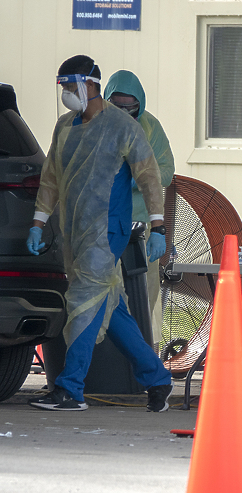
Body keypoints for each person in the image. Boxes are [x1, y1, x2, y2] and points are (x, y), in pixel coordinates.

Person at [26, 55, 173, 412]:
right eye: (61, 88)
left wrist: (158, 227)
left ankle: (70, 389)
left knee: (82, 303)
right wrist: (38, 222)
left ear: (90, 84)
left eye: (70, 86)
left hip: (108, 233)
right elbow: (50, 179)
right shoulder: (64, 128)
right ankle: (158, 379)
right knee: (113, 309)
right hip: (74, 235)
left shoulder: (122, 127)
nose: (66, 94)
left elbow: (151, 177)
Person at [104, 70, 175, 348]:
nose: (123, 112)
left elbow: (167, 170)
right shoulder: (92, 127)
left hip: (142, 229)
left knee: (144, 298)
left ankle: (145, 358)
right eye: (116, 106)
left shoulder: (150, 127)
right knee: (106, 296)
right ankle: (108, 363)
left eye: (129, 107)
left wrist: (140, 177)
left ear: (140, 105)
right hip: (104, 226)